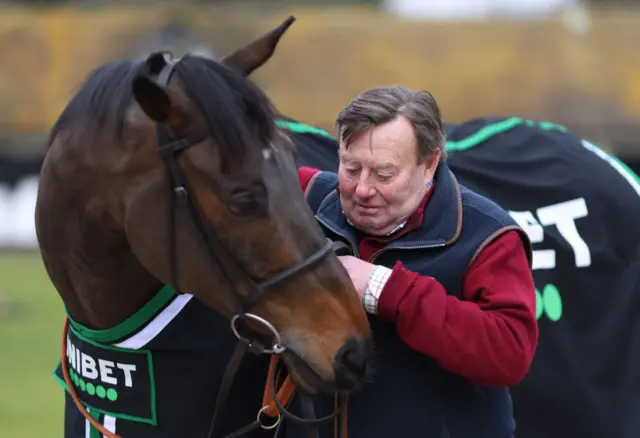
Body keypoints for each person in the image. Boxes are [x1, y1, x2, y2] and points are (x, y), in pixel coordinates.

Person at [280, 85, 539, 438]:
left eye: (383, 174)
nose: (362, 189)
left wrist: (385, 289)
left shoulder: (490, 236)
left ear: (430, 163)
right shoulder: (307, 195)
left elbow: (510, 353)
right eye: (350, 167)